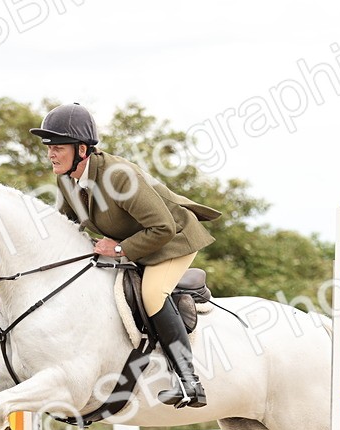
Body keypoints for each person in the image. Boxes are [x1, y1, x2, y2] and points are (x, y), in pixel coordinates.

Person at [30, 103, 220, 409]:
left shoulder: (119, 176)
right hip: (140, 239)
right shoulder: (66, 179)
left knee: (152, 294)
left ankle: (189, 382)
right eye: (49, 147)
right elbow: (65, 226)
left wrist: (119, 249)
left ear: (82, 149)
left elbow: (163, 227)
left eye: (58, 147)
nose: (51, 153)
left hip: (174, 239)